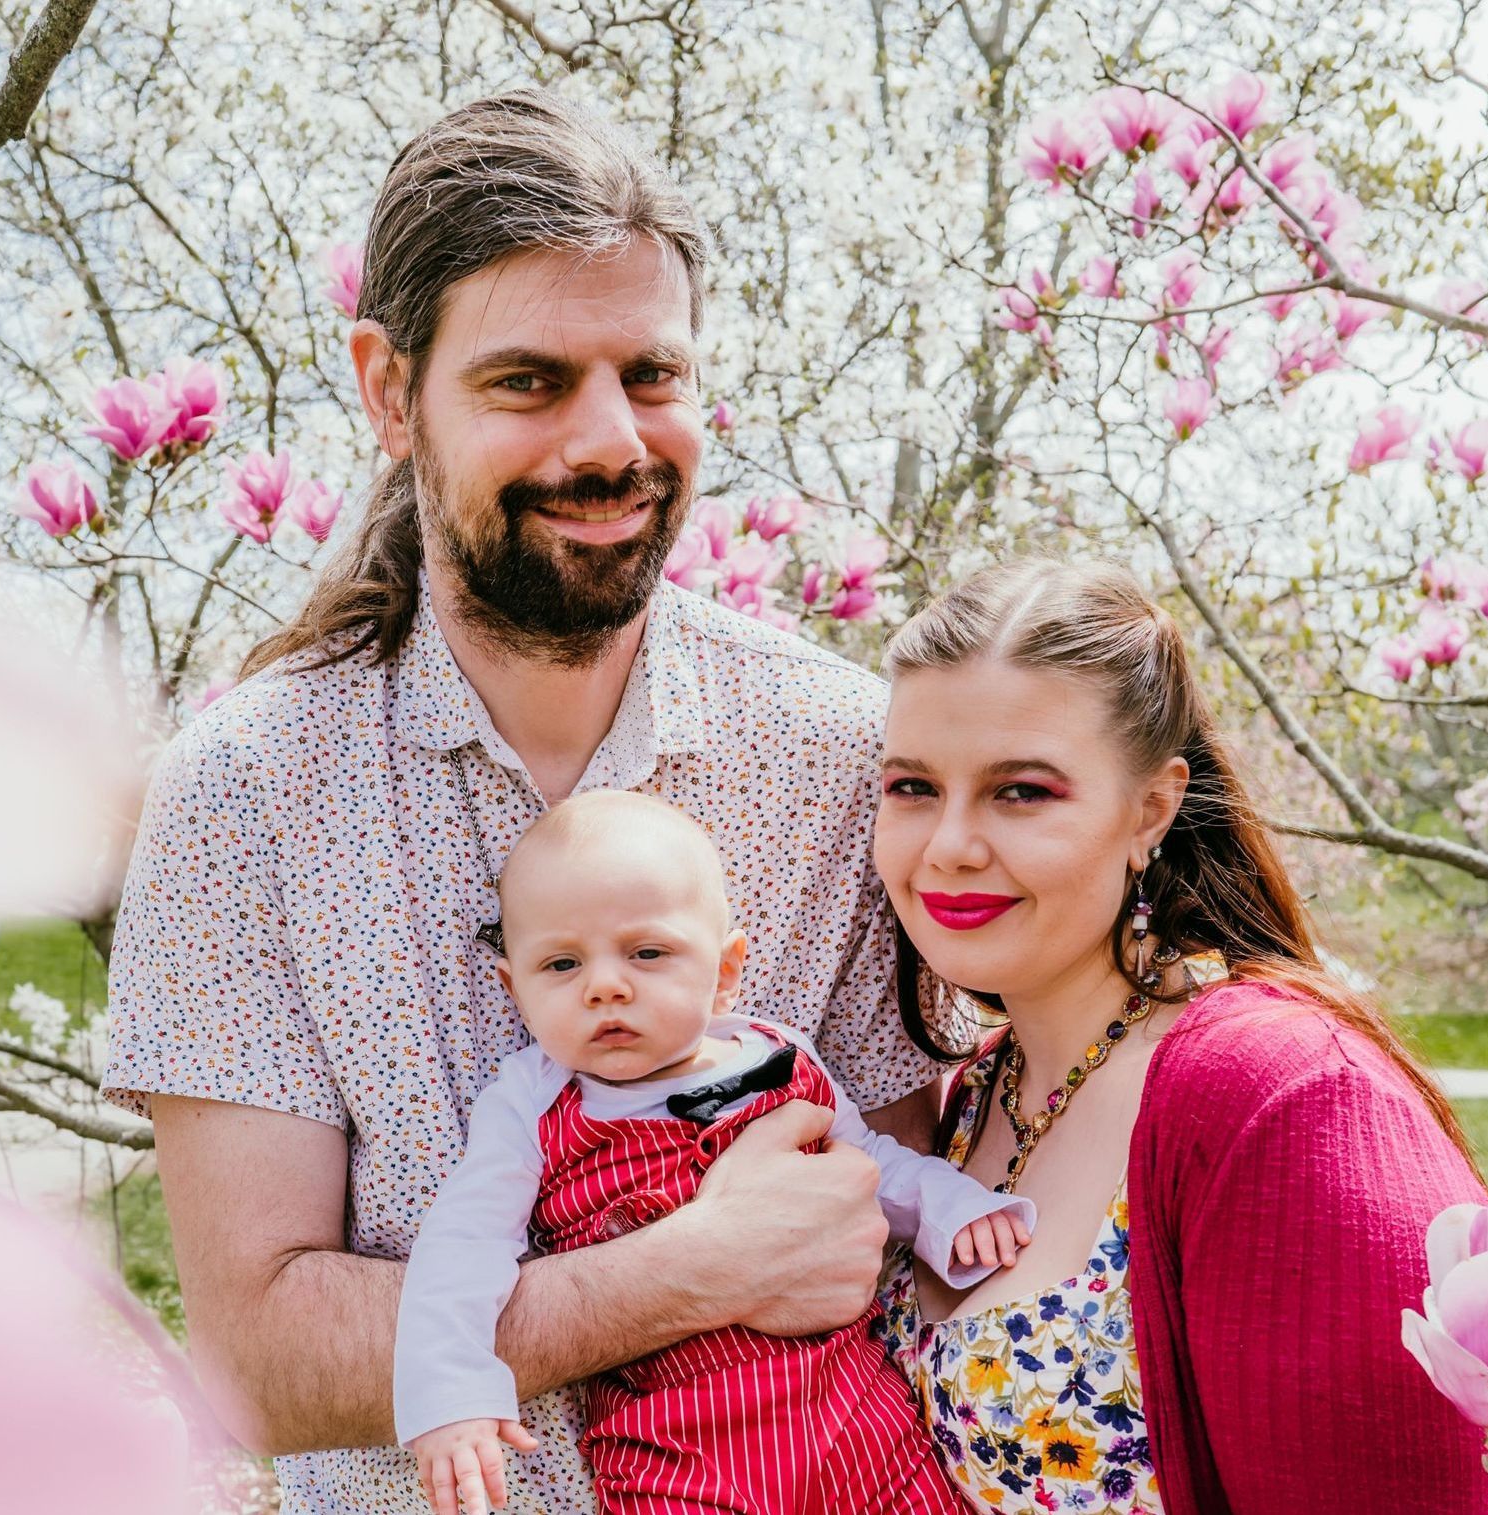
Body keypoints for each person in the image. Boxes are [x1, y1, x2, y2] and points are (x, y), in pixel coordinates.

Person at [101, 90, 950, 1512]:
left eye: (652, 373)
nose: (612, 439)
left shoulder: (842, 754)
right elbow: (259, 1350)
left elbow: (900, 1233)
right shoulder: (241, 796)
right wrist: (686, 1270)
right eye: (530, 380)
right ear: (388, 389)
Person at [866, 557, 1488, 1512]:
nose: (948, 843)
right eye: (912, 786)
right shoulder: (969, 1099)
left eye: (1021, 791)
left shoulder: (1280, 1092)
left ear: (1150, 809)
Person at [396, 791, 1031, 1515]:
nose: (607, 985)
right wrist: (450, 1386)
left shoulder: (777, 1057)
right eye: (563, 964)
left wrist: (955, 1211)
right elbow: (463, 1244)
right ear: (516, 990)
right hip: (675, 1453)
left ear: (726, 969)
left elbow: (869, 1170)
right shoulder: (529, 1104)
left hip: (853, 1418)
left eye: (648, 952)